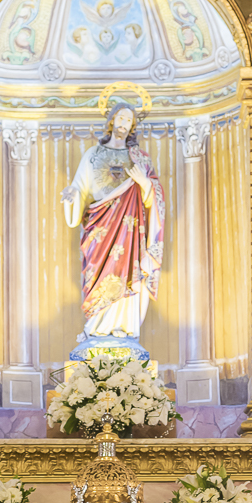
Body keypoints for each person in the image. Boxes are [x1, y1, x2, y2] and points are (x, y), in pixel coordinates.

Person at [61, 100, 165, 342]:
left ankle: (124, 327)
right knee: (99, 271)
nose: (124, 124)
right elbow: (80, 187)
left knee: (127, 270)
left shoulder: (139, 158)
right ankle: (97, 326)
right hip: (100, 225)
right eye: (121, 118)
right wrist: (71, 195)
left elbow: (155, 197)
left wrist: (145, 183)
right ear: (111, 120)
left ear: (133, 126)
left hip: (129, 227)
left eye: (129, 120)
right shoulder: (93, 154)